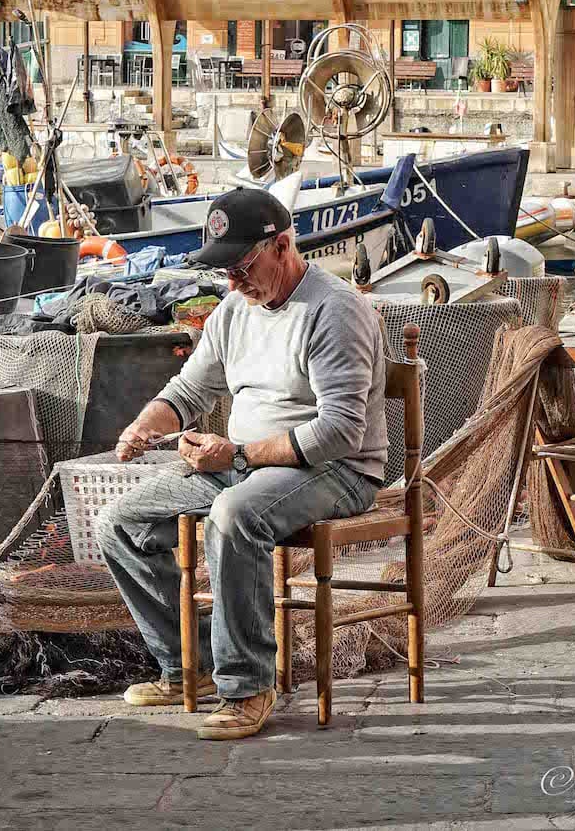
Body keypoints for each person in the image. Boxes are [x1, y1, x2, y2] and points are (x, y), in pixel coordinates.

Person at [97, 188, 387, 740]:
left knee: (233, 514)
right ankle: (194, 663)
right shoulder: (234, 309)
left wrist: (239, 453)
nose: (232, 282)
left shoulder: (335, 310)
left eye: (242, 266)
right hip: (247, 465)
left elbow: (340, 431)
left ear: (283, 246)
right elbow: (188, 390)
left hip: (338, 469)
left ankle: (248, 686)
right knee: (120, 522)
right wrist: (143, 426)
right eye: (224, 270)